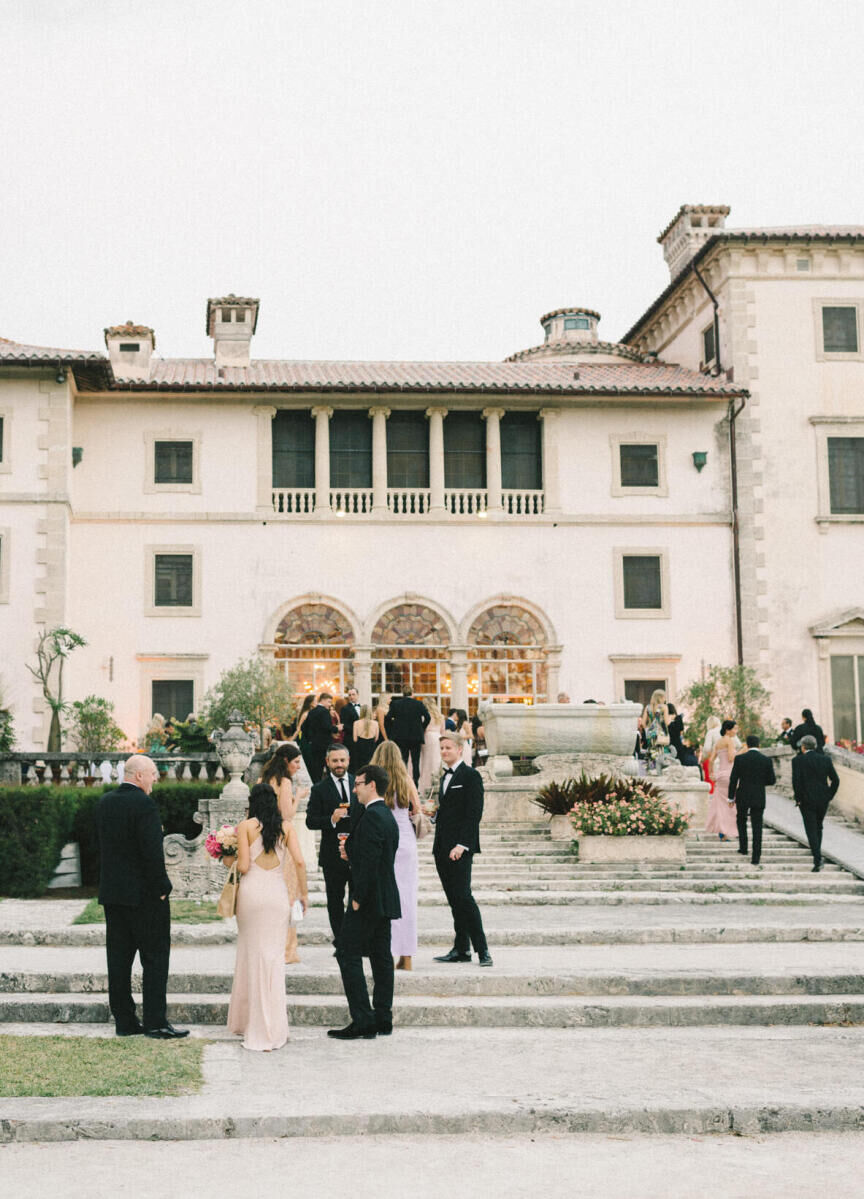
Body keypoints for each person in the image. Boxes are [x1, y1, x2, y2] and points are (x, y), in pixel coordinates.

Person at [96, 754, 188, 1039]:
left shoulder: (104, 803)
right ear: (138, 776)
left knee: (119, 960)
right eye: (152, 774)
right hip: (146, 897)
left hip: (114, 895)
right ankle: (155, 1022)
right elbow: (151, 851)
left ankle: (124, 1021)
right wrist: (162, 887)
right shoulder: (144, 805)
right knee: (155, 958)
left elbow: (99, 846)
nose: (155, 779)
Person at [227, 783, 309, 1051]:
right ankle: (273, 1026)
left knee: (250, 954)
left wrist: (225, 859)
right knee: (273, 958)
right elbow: (299, 862)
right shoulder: (286, 827)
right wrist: (303, 895)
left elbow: (242, 866)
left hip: (251, 895)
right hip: (276, 895)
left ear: (252, 802)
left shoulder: (246, 826)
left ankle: (250, 1023)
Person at [328, 763, 401, 1040]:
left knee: (347, 953)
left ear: (371, 785)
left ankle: (362, 1019)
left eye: (358, 783)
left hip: (368, 898)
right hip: (384, 897)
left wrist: (357, 897)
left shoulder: (372, 816)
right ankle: (383, 1016)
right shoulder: (387, 815)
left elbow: (371, 863)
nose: (354, 788)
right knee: (382, 957)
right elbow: (377, 856)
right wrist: (351, 854)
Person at [431, 731, 492, 967]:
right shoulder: (443, 776)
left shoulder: (471, 775)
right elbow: (449, 812)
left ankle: (483, 950)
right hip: (441, 847)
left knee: (465, 898)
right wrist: (433, 815)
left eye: (448, 748)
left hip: (460, 848)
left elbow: (473, 814)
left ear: (459, 749)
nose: (444, 751)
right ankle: (461, 949)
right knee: (454, 900)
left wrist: (462, 845)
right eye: (442, 748)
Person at [371, 741, 420, 971]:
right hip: (406, 840)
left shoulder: (376, 781)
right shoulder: (405, 779)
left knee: (385, 896)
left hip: (383, 838)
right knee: (407, 898)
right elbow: (417, 810)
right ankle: (407, 956)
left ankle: (387, 952)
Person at [305, 744, 359, 944]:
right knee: (335, 900)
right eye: (335, 761)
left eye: (342, 760)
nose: (339, 764)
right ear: (327, 762)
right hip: (332, 855)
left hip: (356, 852)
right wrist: (331, 819)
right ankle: (341, 940)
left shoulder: (358, 783)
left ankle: (354, 938)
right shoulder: (319, 789)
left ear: (348, 760)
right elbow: (310, 821)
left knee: (357, 897)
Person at [261, 743, 309, 964]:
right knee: (289, 893)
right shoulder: (285, 782)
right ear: (286, 762)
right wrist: (298, 796)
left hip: (263, 840)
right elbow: (287, 814)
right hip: (283, 838)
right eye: (296, 762)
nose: (298, 766)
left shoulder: (262, 781)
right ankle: (288, 950)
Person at [792, 734, 840, 871]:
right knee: (818, 826)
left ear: (803, 747)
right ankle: (817, 857)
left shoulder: (797, 761)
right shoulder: (825, 760)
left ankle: (817, 858)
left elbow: (796, 782)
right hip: (822, 800)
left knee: (810, 829)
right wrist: (829, 796)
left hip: (806, 800)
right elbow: (835, 780)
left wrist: (798, 799)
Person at [728, 734, 777, 865]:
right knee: (757, 825)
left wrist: (730, 797)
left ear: (747, 745)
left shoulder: (739, 759)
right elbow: (772, 780)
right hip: (758, 795)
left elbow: (733, 779)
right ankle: (756, 856)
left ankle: (743, 848)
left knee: (741, 820)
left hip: (743, 794)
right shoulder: (766, 760)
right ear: (759, 745)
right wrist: (760, 782)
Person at [384, 685, 430, 786]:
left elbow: (387, 718)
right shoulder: (418, 704)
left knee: (403, 760)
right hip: (415, 737)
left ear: (402, 693)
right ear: (412, 693)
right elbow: (428, 717)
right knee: (415, 761)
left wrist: (393, 729)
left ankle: (403, 783)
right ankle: (415, 784)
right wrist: (421, 728)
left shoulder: (396, 704)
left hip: (400, 737)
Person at [706, 720, 741, 842]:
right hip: (730, 775)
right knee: (731, 804)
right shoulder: (729, 741)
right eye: (734, 729)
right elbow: (731, 758)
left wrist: (711, 774)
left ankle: (722, 832)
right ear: (728, 729)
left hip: (720, 775)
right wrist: (742, 752)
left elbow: (710, 760)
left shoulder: (718, 742)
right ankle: (729, 830)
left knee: (720, 805)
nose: (736, 731)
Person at [303, 692, 339, 782]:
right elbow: (327, 727)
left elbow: (304, 727)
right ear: (322, 700)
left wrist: (310, 739)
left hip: (314, 745)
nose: (330, 704)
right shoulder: (324, 711)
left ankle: (316, 787)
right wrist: (337, 728)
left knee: (316, 770)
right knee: (329, 768)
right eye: (329, 702)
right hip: (325, 745)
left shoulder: (311, 712)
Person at [419, 699, 445, 796]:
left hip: (427, 738)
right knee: (436, 761)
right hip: (438, 738)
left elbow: (422, 729)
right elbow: (443, 731)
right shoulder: (440, 716)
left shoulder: (424, 716)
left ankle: (425, 787)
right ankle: (436, 785)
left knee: (425, 763)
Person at [350, 704, 380, 772]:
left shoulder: (356, 723)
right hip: (371, 746)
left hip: (360, 748)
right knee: (371, 767)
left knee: (361, 768)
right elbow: (376, 738)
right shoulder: (375, 723)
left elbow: (355, 739)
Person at [700, 716, 722, 793]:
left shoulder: (711, 732)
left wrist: (703, 759)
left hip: (715, 761)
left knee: (715, 785)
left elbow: (706, 748)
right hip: (727, 761)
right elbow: (738, 745)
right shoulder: (726, 731)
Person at [340, 688, 362, 757]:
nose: (351, 697)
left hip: (362, 739)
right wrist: (357, 731)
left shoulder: (363, 707)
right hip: (350, 739)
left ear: (358, 695)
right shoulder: (344, 709)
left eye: (353, 694)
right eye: (349, 695)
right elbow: (344, 725)